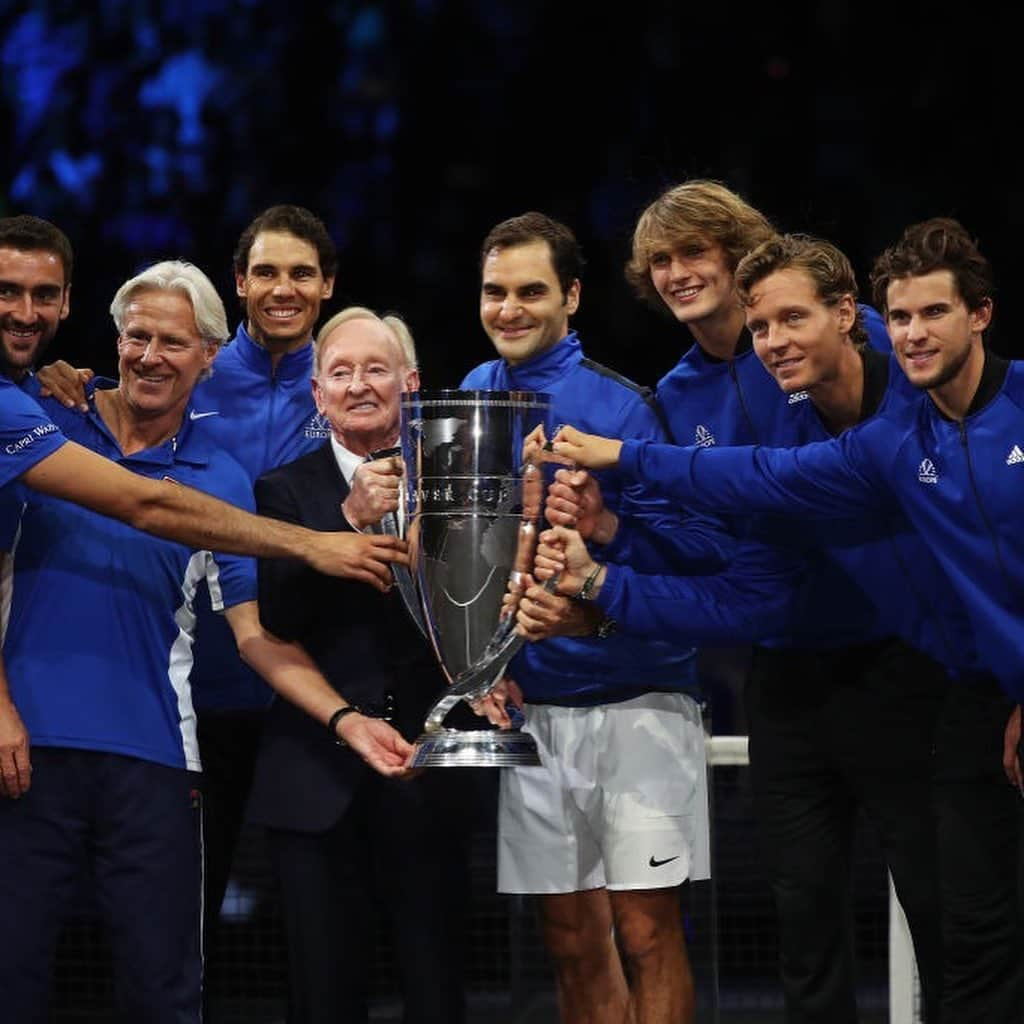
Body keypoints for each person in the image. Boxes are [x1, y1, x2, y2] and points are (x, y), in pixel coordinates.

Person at [551, 217, 1024, 1024]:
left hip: (938, 685)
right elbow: (749, 552)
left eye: (789, 318)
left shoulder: (924, 400)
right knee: (864, 924)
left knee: (962, 923)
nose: (771, 340)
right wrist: (607, 559)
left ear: (849, 316)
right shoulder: (865, 444)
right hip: (941, 688)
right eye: (762, 324)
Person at [0, 262, 413, 1023]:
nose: (151, 356)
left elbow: (255, 637)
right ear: (115, 341)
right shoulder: (36, 414)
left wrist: (345, 718)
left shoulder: (223, 480)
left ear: (210, 357)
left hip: (156, 762)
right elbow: (146, 507)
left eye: (174, 342)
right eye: (138, 337)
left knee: (164, 997)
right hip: (24, 751)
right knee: (11, 983)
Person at [462, 211, 728, 1024]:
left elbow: (696, 553)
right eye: (495, 291)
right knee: (571, 940)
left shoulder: (624, 406)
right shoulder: (471, 396)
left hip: (638, 703)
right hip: (536, 712)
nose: (510, 308)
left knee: (648, 935)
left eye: (531, 292)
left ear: (571, 297)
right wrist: (479, 664)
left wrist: (607, 525)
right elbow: (461, 557)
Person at [250, 306, 477, 1023]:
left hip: (428, 770)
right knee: (322, 994)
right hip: (316, 777)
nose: (358, 386)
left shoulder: (459, 481)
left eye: (374, 369)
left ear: (409, 384)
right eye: (340, 373)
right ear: (317, 394)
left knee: (436, 987)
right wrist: (343, 525)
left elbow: (480, 614)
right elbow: (279, 620)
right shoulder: (281, 492)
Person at [0, 214, 73, 392]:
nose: (26, 316)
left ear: (65, 301)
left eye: (44, 295)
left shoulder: (63, 398)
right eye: (6, 292)